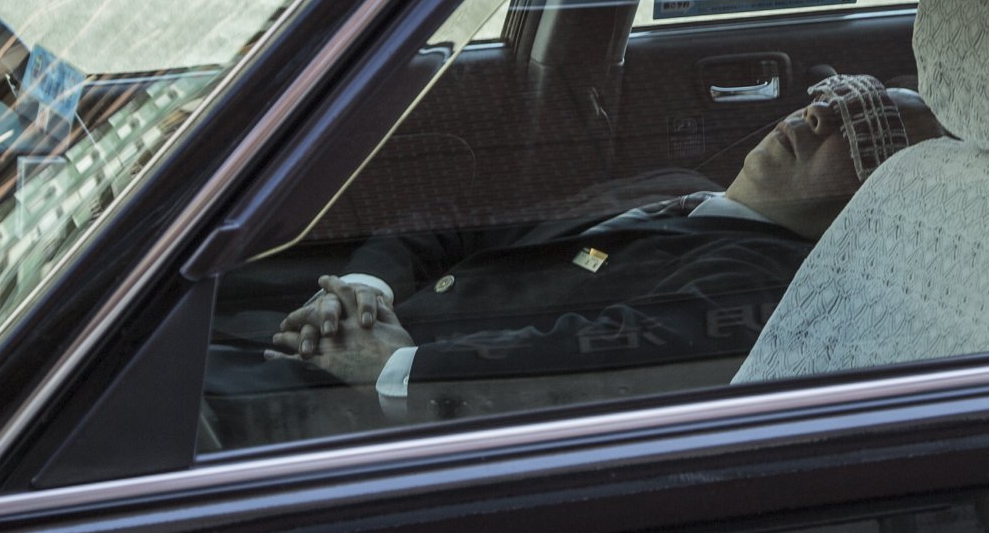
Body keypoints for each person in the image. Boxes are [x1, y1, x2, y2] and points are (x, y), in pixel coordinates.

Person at [264, 73, 940, 406]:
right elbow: (465, 219)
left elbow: (582, 363)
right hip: (338, 340)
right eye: (832, 95)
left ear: (880, 200)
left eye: (860, 132)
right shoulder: (671, 183)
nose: (818, 113)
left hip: (385, 423)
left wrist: (392, 365)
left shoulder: (758, 285)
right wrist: (363, 291)